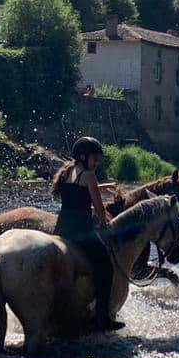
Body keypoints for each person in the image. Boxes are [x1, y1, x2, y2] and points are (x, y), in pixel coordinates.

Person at [50, 135, 120, 332]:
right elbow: (99, 208)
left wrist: (103, 187)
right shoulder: (89, 176)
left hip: (62, 228)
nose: (97, 163)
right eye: (95, 159)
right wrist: (106, 224)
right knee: (106, 266)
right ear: (83, 157)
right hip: (81, 231)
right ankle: (102, 317)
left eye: (98, 160)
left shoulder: (68, 172)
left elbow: (78, 194)